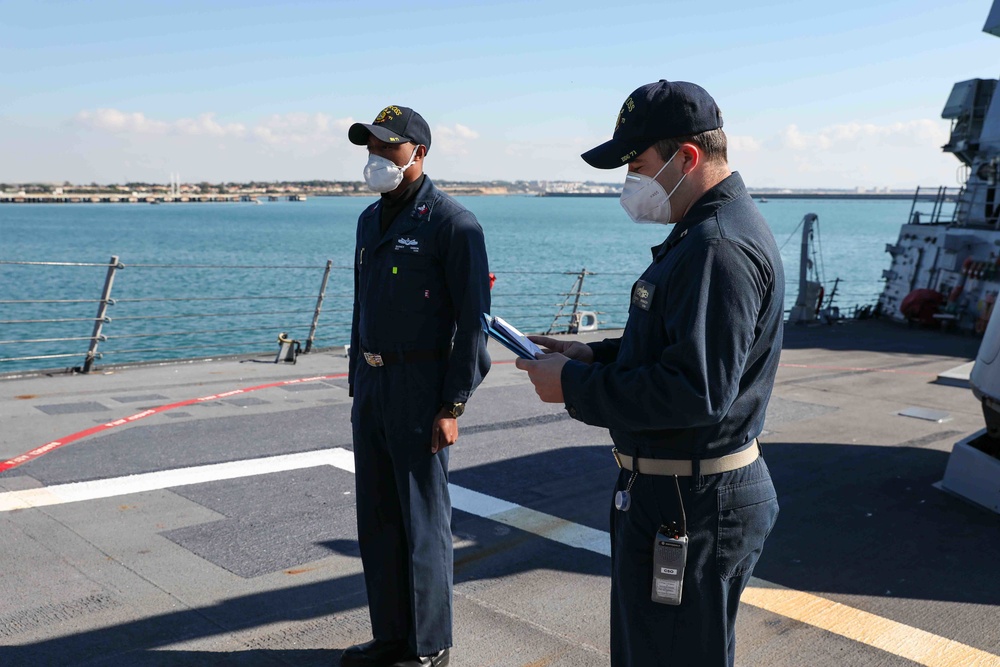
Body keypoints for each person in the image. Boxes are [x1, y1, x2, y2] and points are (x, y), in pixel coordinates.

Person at [515, 80, 784, 667]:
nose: (629, 183)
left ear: (687, 157)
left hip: (689, 499)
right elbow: (681, 348)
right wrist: (596, 358)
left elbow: (696, 392)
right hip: (675, 491)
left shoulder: (717, 246)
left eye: (637, 165)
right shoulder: (704, 232)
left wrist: (573, 386)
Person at [342, 105, 491, 667]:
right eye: (371, 148)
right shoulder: (367, 221)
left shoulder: (453, 224)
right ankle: (391, 637)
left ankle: (430, 648)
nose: (376, 158)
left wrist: (452, 403)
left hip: (420, 389)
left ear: (418, 153)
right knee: (378, 518)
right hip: (375, 387)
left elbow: (473, 323)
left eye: (387, 148)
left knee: (422, 522)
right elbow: (361, 307)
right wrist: (359, 380)